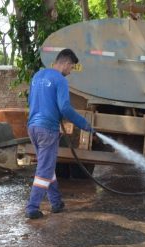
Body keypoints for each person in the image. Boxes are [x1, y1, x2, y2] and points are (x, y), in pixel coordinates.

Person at [25, 48, 94, 219]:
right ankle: (32, 207)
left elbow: (31, 101)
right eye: (71, 68)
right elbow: (64, 108)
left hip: (33, 127)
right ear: (65, 63)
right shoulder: (60, 80)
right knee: (45, 168)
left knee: (46, 166)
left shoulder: (37, 77)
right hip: (47, 129)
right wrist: (84, 124)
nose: (70, 72)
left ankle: (56, 202)